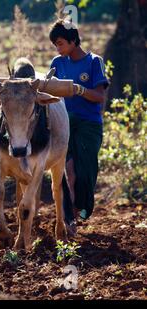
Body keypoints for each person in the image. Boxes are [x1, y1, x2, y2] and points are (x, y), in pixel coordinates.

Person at [48, 19, 109, 236]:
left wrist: (79, 90)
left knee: (85, 173)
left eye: (61, 43)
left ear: (74, 40)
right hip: (64, 124)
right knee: (69, 172)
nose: (58, 48)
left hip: (88, 125)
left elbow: (99, 97)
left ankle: (83, 208)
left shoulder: (94, 62)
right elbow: (50, 93)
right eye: (56, 44)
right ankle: (70, 218)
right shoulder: (57, 63)